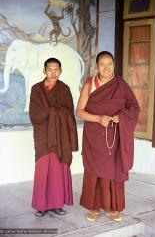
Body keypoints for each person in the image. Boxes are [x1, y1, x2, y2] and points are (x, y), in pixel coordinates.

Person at [76, 51, 140, 222]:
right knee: (93, 172)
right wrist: (98, 118)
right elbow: (79, 112)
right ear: (96, 66)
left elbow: (134, 107)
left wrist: (122, 117)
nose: (106, 67)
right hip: (94, 136)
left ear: (114, 65)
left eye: (109, 64)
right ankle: (94, 207)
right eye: (102, 64)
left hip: (114, 137)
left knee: (112, 171)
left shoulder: (121, 84)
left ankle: (112, 207)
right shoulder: (90, 84)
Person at [29, 57, 78, 217]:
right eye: (49, 69)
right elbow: (35, 114)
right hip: (43, 134)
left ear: (61, 71)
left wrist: (53, 113)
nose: (53, 73)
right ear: (44, 71)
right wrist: (54, 112)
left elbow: (69, 112)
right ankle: (41, 206)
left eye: (56, 69)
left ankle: (57, 204)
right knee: (43, 168)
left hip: (60, 135)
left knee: (58, 168)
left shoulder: (64, 89)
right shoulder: (36, 89)